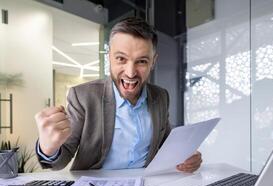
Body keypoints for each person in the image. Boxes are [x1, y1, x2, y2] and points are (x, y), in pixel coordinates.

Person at [34, 17, 202, 172]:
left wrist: (186, 155)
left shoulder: (161, 96)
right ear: (109, 58)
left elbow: (166, 143)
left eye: (142, 61)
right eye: (121, 59)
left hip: (146, 183)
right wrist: (48, 148)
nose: (130, 73)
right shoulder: (83, 96)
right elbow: (62, 159)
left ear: (153, 62)